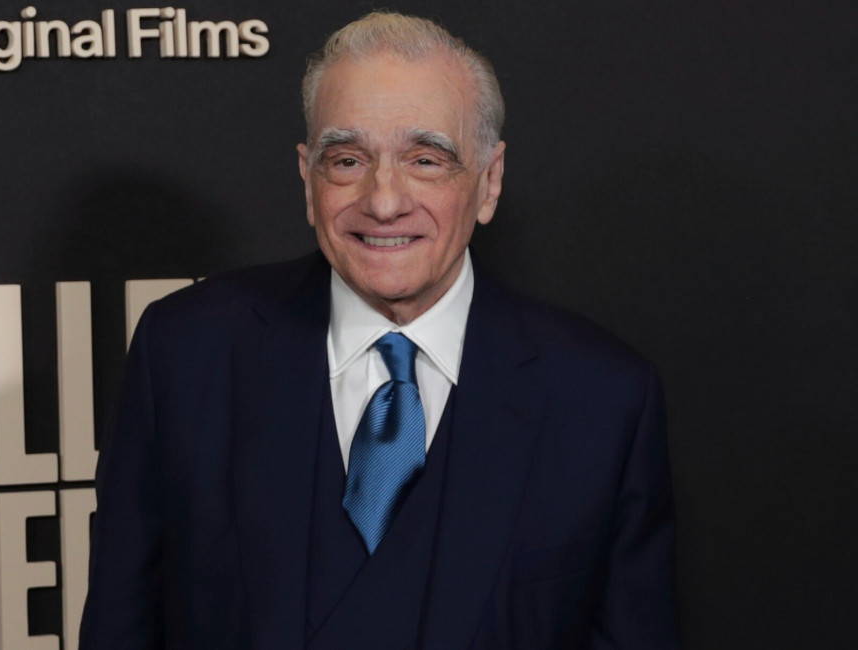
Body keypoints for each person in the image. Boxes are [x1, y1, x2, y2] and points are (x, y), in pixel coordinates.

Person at [79, 12, 678, 650]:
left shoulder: (601, 399)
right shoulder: (185, 355)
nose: (384, 201)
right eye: (347, 160)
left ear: (489, 180)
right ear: (308, 180)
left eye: (426, 160)